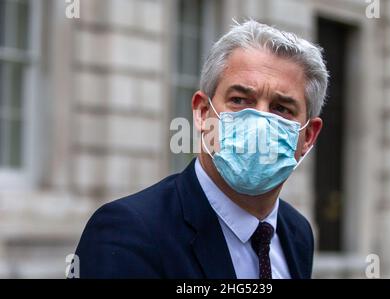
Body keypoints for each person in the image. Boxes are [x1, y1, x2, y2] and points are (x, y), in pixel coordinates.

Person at [75, 20, 329, 279]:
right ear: (202, 113)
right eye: (240, 100)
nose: (260, 124)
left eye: (281, 108)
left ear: (308, 135)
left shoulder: (297, 233)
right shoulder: (127, 232)